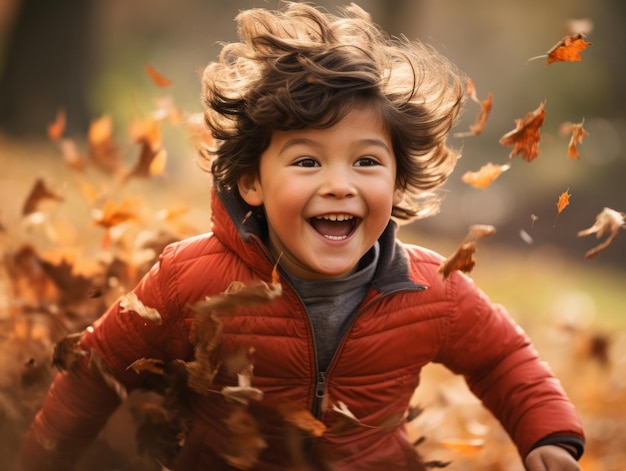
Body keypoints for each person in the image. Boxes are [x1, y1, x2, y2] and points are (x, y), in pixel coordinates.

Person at [19, 2, 585, 470]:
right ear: (252, 182)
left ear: (397, 179)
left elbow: (502, 357)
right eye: (307, 162)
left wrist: (549, 435)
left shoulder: (431, 288)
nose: (340, 185)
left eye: (366, 162)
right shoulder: (191, 280)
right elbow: (96, 367)